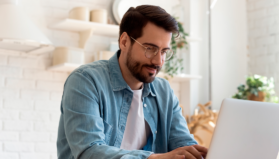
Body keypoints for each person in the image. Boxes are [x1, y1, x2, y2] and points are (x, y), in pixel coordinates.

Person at [57, 5, 208, 159]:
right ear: (124, 42)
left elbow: (182, 143)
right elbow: (89, 152)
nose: (158, 61)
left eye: (164, 52)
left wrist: (200, 154)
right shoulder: (85, 81)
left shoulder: (164, 91)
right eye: (150, 48)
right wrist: (152, 158)